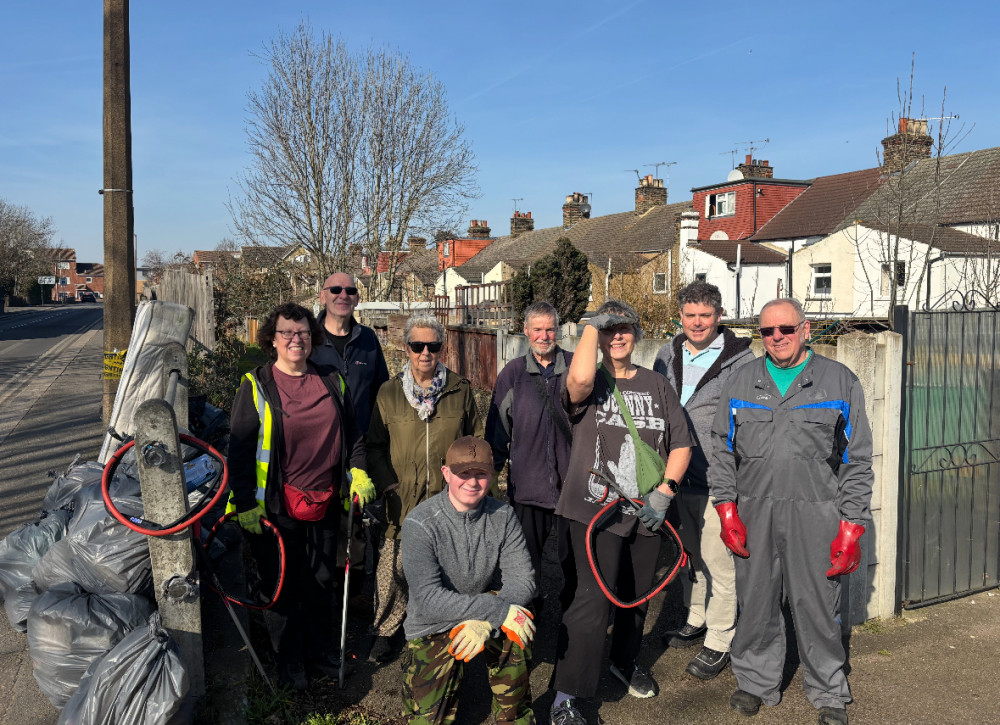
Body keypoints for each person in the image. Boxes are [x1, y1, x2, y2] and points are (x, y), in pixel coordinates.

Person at [709, 298, 873, 725]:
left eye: (785, 329)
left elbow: (858, 459)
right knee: (757, 599)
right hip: (754, 512)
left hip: (816, 514)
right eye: (767, 331)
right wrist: (726, 508)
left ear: (806, 328)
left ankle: (829, 689)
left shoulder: (838, 382)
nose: (776, 337)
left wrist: (852, 524)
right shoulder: (742, 382)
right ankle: (755, 681)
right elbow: (722, 451)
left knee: (817, 603)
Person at [548, 299, 693, 725]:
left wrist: (666, 491)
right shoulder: (590, 383)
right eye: (610, 329)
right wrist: (595, 322)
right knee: (591, 603)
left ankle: (625, 662)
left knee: (635, 598)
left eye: (625, 327)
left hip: (648, 510)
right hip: (595, 512)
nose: (617, 335)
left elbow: (680, 443)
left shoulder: (657, 385)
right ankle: (567, 694)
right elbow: (577, 379)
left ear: (637, 333)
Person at [227, 302, 375, 691]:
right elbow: (239, 451)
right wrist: (244, 502)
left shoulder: (331, 380)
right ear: (272, 340)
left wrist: (357, 470)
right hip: (274, 508)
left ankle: (321, 652)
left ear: (314, 338)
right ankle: (290, 662)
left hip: (326, 502)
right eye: (287, 333)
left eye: (304, 333)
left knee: (322, 582)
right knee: (283, 586)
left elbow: (354, 434)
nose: (296, 339)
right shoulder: (256, 385)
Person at [366, 313, 484, 663]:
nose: (425, 353)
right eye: (418, 346)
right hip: (401, 498)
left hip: (448, 500)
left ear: (441, 348)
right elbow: (373, 445)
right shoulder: (389, 393)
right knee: (393, 571)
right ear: (406, 348)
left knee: (448, 568)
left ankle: (440, 627)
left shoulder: (459, 389)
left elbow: (475, 441)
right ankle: (386, 631)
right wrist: (387, 482)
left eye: (433, 346)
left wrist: (469, 485)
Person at [652, 281, 754, 680]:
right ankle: (696, 617)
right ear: (681, 316)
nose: (697, 323)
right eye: (690, 315)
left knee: (718, 562)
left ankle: (720, 638)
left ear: (719, 316)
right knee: (689, 557)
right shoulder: (667, 353)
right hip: (675, 477)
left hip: (718, 478)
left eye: (705, 316)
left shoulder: (742, 361)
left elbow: (748, 422)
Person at [400, 436, 537, 725]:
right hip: (433, 623)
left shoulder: (504, 515)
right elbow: (428, 599)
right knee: (427, 720)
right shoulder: (420, 523)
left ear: (493, 475)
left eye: (481, 473)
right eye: (463, 473)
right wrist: (496, 611)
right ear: (446, 473)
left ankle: (516, 717)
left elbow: (523, 579)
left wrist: (487, 622)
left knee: (519, 626)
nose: (472, 482)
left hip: (482, 612)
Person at [486, 300, 576, 614]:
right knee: (526, 561)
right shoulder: (512, 374)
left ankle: (573, 612)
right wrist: (490, 479)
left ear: (559, 330)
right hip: (527, 486)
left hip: (572, 487)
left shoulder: (577, 368)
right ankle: (528, 612)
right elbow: (497, 431)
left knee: (574, 559)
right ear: (525, 331)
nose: (543, 335)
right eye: (537, 329)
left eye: (549, 328)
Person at [311, 271, 390, 436]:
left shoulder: (368, 339)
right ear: (322, 297)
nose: (343, 295)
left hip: (361, 446)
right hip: (318, 444)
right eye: (335, 290)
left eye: (350, 291)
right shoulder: (307, 339)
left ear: (357, 299)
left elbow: (381, 394)